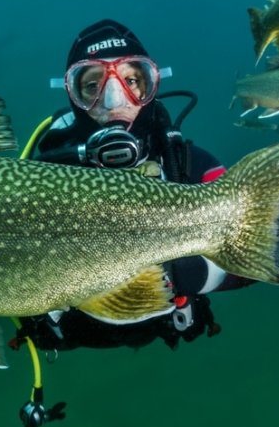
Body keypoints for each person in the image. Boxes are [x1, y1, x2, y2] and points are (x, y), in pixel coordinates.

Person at [16, 19, 256, 352]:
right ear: (72, 95)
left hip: (166, 323)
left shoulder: (189, 166)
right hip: (73, 332)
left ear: (150, 86)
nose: (115, 100)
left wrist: (186, 272)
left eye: (131, 80)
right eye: (92, 86)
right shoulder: (36, 177)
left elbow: (254, 256)